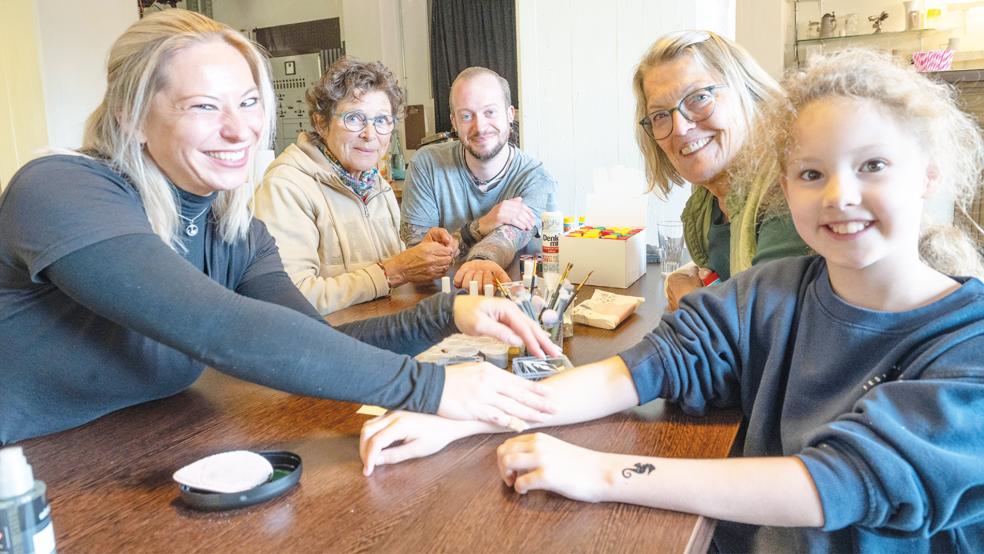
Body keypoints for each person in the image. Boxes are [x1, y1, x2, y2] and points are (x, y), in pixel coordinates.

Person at [359, 49, 984, 552]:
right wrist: (466, 418)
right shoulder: (769, 295)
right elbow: (636, 370)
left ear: (929, 174)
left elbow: (842, 482)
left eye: (873, 165)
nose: (840, 195)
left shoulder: (969, 343)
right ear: (783, 186)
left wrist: (604, 475)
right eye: (812, 173)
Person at [0, 10, 562, 445]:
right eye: (202, 106)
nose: (238, 129)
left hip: (125, 457)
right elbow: (220, 328)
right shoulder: (61, 189)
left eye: (248, 103)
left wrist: (449, 313)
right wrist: (434, 388)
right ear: (130, 114)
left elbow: (313, 342)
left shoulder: (235, 227)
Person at [255, 58, 457, 316]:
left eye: (382, 120)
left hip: (380, 334)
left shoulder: (374, 183)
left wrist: (418, 258)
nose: (370, 134)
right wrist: (394, 271)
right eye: (354, 118)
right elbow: (290, 300)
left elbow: (381, 271)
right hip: (327, 346)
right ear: (320, 122)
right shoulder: (286, 187)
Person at [634, 30, 810, 309]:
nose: (680, 128)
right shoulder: (708, 196)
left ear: (746, 91)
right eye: (660, 115)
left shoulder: (786, 191)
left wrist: (691, 301)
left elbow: (763, 330)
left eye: (699, 98)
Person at [400, 67, 557, 290]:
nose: (480, 127)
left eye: (490, 112)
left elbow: (509, 236)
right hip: (437, 308)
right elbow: (418, 262)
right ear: (454, 122)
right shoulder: (426, 165)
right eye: (466, 116)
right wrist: (481, 226)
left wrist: (481, 262)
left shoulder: (537, 180)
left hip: (510, 304)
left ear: (510, 114)